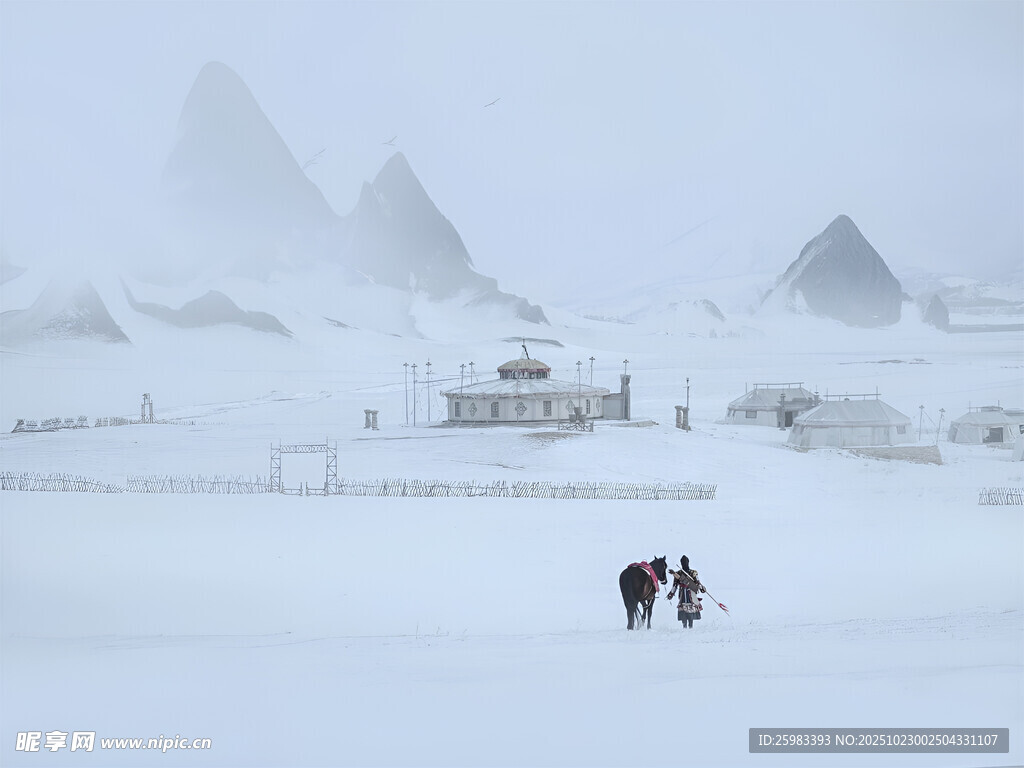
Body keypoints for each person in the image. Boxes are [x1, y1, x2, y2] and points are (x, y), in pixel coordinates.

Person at [666, 555, 706, 628]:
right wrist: (671, 594)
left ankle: (690, 626)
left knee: (690, 610)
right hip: (682, 594)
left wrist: (701, 588)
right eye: (683, 562)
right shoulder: (678, 573)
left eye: (685, 562)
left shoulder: (693, 572)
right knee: (683, 610)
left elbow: (698, 582)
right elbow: (675, 585)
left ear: (688, 562)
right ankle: (684, 626)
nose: (684, 564)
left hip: (691, 593)